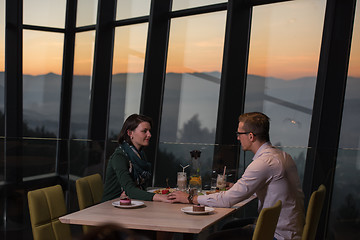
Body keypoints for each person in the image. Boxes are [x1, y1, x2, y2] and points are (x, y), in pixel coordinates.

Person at [168, 112, 305, 240]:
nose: (238, 137)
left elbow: (227, 200)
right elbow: (273, 189)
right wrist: (236, 187)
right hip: (290, 229)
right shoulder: (283, 156)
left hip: (276, 234)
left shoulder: (263, 163)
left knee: (212, 238)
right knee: (228, 227)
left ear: (251, 136)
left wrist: (190, 198)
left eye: (240, 133)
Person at [102, 114, 169, 203]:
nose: (149, 135)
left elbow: (136, 190)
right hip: (110, 206)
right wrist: (162, 197)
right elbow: (130, 190)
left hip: (131, 203)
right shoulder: (119, 157)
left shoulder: (140, 154)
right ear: (130, 133)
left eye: (149, 131)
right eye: (144, 131)